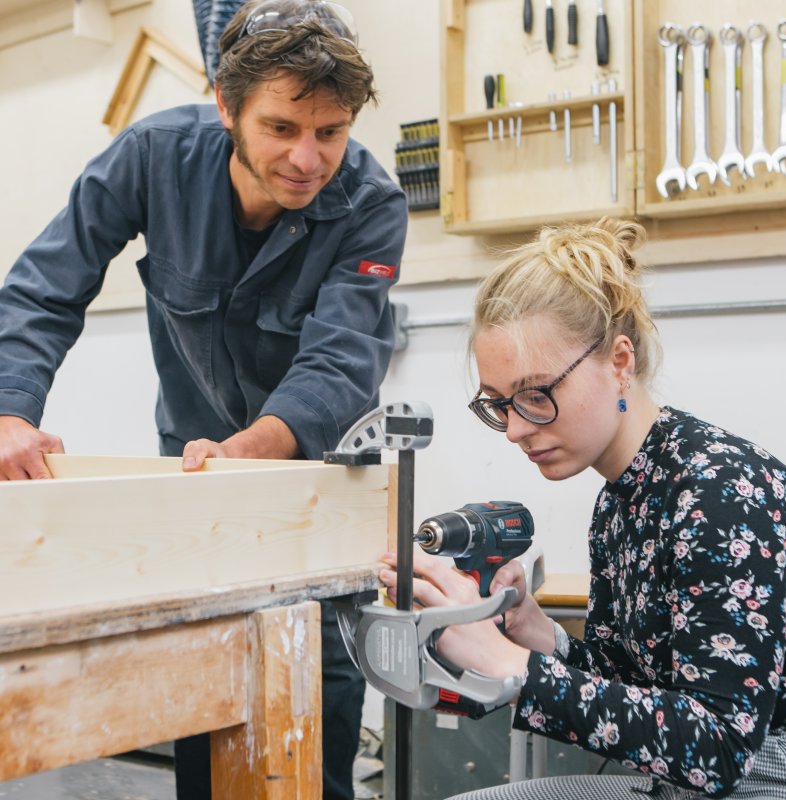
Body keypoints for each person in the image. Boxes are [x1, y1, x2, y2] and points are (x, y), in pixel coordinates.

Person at [0, 1, 408, 798]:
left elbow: (339, 362)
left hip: (315, 494)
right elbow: (43, 290)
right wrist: (9, 410)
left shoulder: (371, 205)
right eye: (282, 127)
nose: (307, 157)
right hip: (190, 481)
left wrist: (248, 451)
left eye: (330, 132)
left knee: (313, 720)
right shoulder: (152, 156)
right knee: (199, 700)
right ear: (226, 105)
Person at [381, 218, 786, 799]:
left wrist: (509, 665)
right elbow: (630, 687)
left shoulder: (718, 491)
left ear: (620, 362)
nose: (514, 429)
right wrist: (536, 634)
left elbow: (719, 744)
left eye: (535, 395)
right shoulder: (620, 500)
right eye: (499, 404)